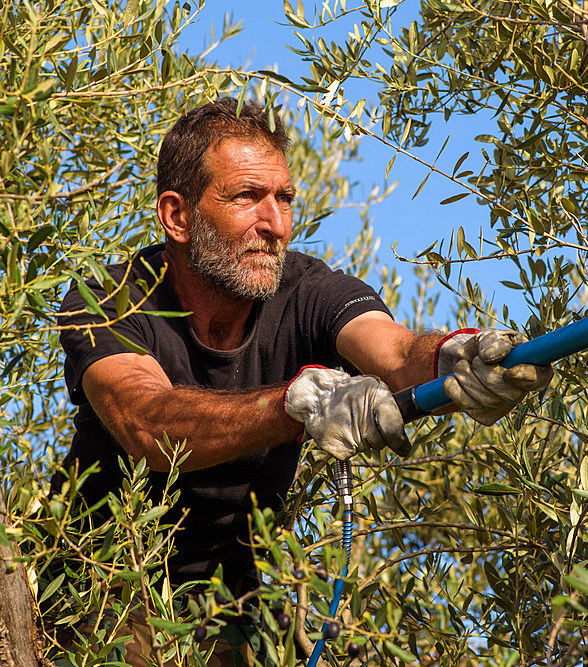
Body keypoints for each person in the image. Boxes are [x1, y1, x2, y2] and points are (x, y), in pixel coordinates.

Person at [50, 97, 552, 664]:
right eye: (247, 197)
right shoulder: (111, 300)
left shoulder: (308, 290)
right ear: (178, 216)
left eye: (284, 198)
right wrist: (295, 405)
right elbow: (148, 424)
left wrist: (456, 356)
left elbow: (395, 352)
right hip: (103, 596)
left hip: (235, 607)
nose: (275, 224)